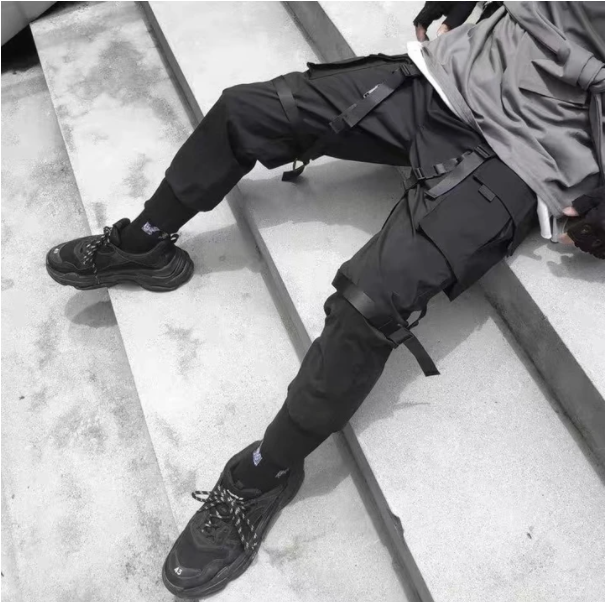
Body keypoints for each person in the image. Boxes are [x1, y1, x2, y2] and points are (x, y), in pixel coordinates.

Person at [45, 2, 604, 598]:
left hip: (528, 152)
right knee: (245, 110)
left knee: (370, 302)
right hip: (450, 72)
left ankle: (263, 474)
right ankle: (144, 244)